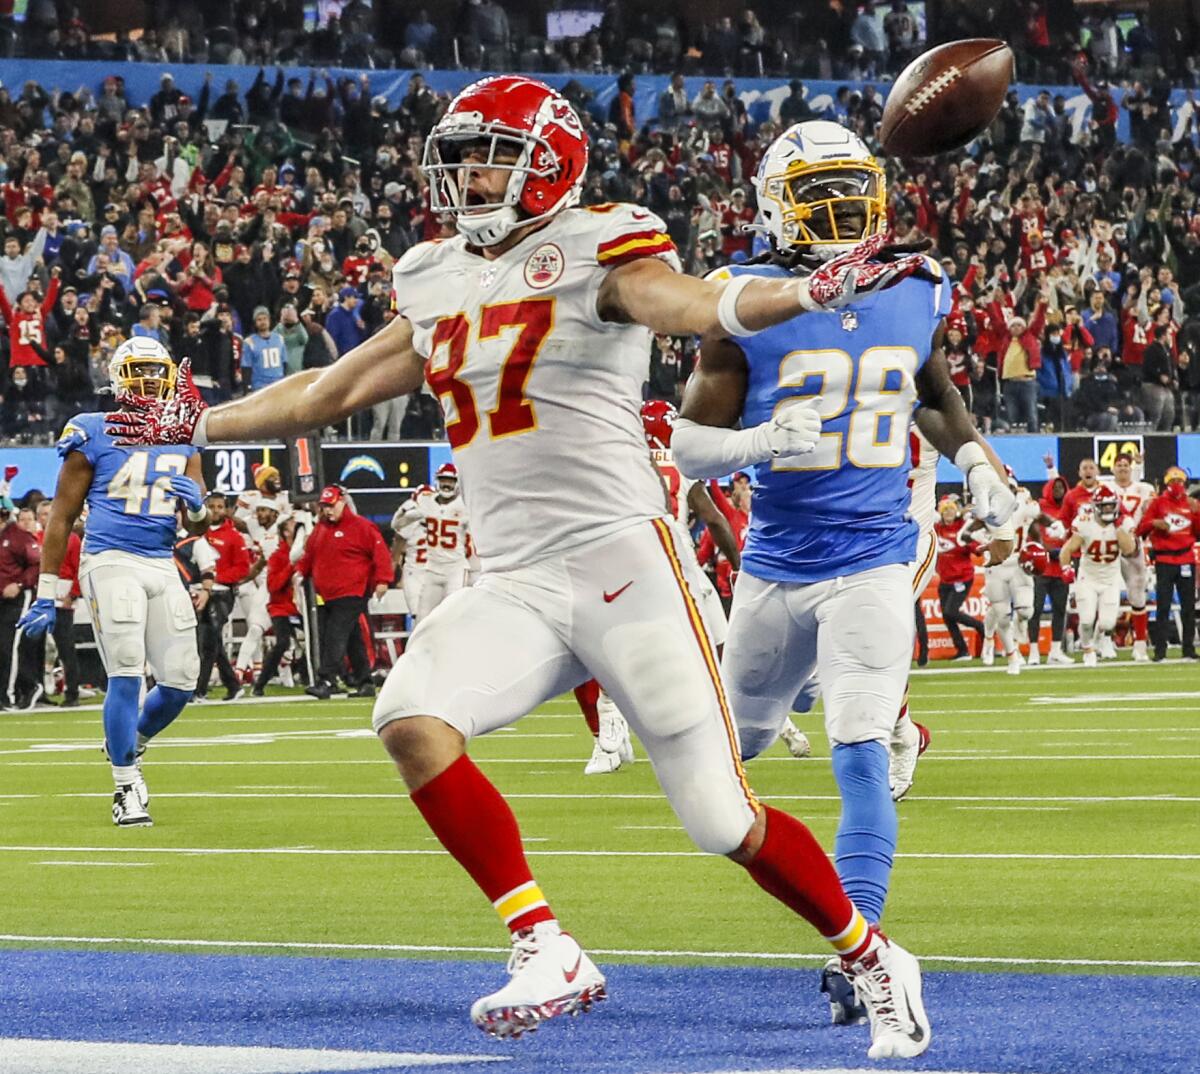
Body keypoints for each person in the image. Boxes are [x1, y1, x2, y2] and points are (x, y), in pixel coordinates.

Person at [106, 76, 936, 1058]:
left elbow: (689, 301)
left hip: (623, 563)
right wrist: (197, 421)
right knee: (410, 718)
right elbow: (334, 388)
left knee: (722, 819)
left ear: (549, 161)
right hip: (518, 578)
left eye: (487, 153)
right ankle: (545, 943)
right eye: (458, 155)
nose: (466, 173)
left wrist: (800, 291)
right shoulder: (438, 273)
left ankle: (875, 956)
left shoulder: (599, 242)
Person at [672, 120, 1014, 1039]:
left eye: (850, 188)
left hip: (870, 560)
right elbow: (686, 446)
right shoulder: (742, 303)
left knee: (855, 752)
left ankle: (858, 952)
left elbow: (933, 394)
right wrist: (753, 443)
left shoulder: (915, 285)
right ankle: (881, 718)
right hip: (775, 569)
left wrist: (979, 462)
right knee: (718, 768)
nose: (841, 208)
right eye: (818, 191)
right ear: (777, 204)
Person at [18, 339, 207, 825]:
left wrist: (201, 506)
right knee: (125, 669)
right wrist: (47, 591)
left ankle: (128, 743)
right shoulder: (92, 430)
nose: (147, 380)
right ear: (118, 376)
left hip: (162, 560)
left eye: (155, 370)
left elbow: (201, 522)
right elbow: (60, 519)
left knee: (182, 681)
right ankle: (126, 786)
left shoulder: (185, 434)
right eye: (138, 370)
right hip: (109, 559)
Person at [297, 484, 392, 700]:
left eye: (331, 506)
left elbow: (381, 554)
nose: (328, 511)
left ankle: (327, 680)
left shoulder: (361, 527)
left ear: (342, 502)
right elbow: (310, 555)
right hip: (328, 594)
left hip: (352, 591)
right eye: (324, 507)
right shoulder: (321, 529)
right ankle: (365, 680)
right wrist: (301, 573)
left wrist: (382, 580)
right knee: (352, 638)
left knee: (334, 635)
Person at [1059, 486, 1135, 666]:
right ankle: (1088, 649)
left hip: (1110, 580)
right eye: (1104, 506)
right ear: (1096, 506)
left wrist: (1117, 528)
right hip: (1088, 578)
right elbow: (1067, 549)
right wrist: (1065, 568)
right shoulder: (1085, 523)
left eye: (1111, 505)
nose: (1108, 509)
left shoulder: (1123, 524)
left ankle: (1096, 641)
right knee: (1086, 620)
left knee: (1108, 623)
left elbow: (1129, 550)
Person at [389, 463, 470, 624]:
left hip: (455, 569)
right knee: (422, 621)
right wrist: (401, 514)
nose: (446, 484)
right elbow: (397, 525)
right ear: (437, 481)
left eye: (451, 481)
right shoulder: (427, 502)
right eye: (443, 480)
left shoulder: (465, 506)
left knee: (453, 617)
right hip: (432, 570)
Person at [977, 472, 1041, 675]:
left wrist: (1052, 528)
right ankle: (1011, 655)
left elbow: (1039, 520)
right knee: (1002, 616)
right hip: (996, 565)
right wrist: (978, 537)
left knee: (1025, 611)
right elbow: (966, 532)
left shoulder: (1024, 502)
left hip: (1018, 564)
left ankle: (1008, 634)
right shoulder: (987, 505)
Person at [1137, 467, 1200, 660]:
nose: (1176, 485)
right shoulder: (1158, 503)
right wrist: (1154, 523)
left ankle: (1188, 649)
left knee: (1188, 606)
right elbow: (1141, 529)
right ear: (1166, 483)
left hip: (1186, 559)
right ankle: (1160, 651)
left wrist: (1197, 513)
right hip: (1164, 559)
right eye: (1172, 481)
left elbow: (1197, 533)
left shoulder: (1191, 504)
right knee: (1163, 606)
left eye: (1179, 481)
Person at [195, 492, 248, 702]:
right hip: (201, 592)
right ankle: (233, 685)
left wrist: (218, 577)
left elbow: (243, 568)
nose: (215, 510)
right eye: (211, 506)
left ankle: (199, 689)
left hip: (222, 594)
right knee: (212, 640)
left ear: (226, 509)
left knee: (208, 640)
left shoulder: (234, 536)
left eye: (219, 506)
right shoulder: (199, 532)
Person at [253, 514, 301, 696]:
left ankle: (315, 676)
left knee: (320, 637)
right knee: (282, 642)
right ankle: (260, 683)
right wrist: (290, 566)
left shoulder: (305, 553)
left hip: (300, 607)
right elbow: (273, 586)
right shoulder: (277, 557)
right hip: (281, 607)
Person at [0, 503, 42, 707]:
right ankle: (24, 685)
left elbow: (37, 563)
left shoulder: (18, 537)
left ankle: (9, 695)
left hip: (16, 597)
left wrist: (19, 584)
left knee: (8, 645)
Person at [933, 497, 985, 658]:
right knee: (947, 616)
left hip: (962, 577)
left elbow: (977, 549)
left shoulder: (962, 528)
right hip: (945, 578)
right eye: (945, 510)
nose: (948, 512)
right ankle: (962, 650)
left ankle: (981, 627)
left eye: (951, 509)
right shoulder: (936, 529)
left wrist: (967, 543)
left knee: (951, 611)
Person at [241, 306, 288, 392]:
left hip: (279, 384)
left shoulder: (279, 339)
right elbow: (246, 367)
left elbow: (284, 363)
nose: (263, 322)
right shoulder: (249, 342)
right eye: (259, 319)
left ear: (269, 320)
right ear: (255, 323)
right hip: (260, 387)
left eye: (265, 318)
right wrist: (247, 388)